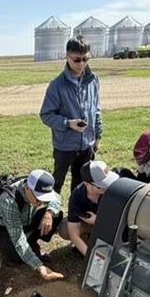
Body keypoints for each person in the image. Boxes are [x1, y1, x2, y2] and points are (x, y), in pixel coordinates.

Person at [40, 35, 103, 194]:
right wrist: (68, 123)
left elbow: (96, 109)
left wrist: (97, 136)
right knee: (56, 183)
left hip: (87, 143)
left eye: (85, 59)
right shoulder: (57, 85)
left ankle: (75, 214)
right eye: (76, 60)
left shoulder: (93, 80)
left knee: (81, 183)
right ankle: (50, 214)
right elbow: (46, 115)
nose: (81, 64)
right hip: (64, 145)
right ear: (67, 57)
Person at [0, 169, 65, 281]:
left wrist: (49, 213)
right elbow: (18, 239)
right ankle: (20, 247)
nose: (41, 203)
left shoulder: (38, 186)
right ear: (27, 188)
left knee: (56, 215)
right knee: (17, 256)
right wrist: (39, 266)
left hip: (26, 221)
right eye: (39, 198)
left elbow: (56, 197)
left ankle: (31, 243)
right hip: (5, 228)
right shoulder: (9, 201)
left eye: (45, 198)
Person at [58, 160, 118, 257]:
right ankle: (88, 243)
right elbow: (73, 234)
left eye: (108, 181)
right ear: (87, 184)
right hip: (91, 225)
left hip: (112, 225)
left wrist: (99, 220)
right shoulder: (77, 196)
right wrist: (91, 258)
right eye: (100, 186)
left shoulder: (115, 189)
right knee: (65, 229)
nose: (106, 187)